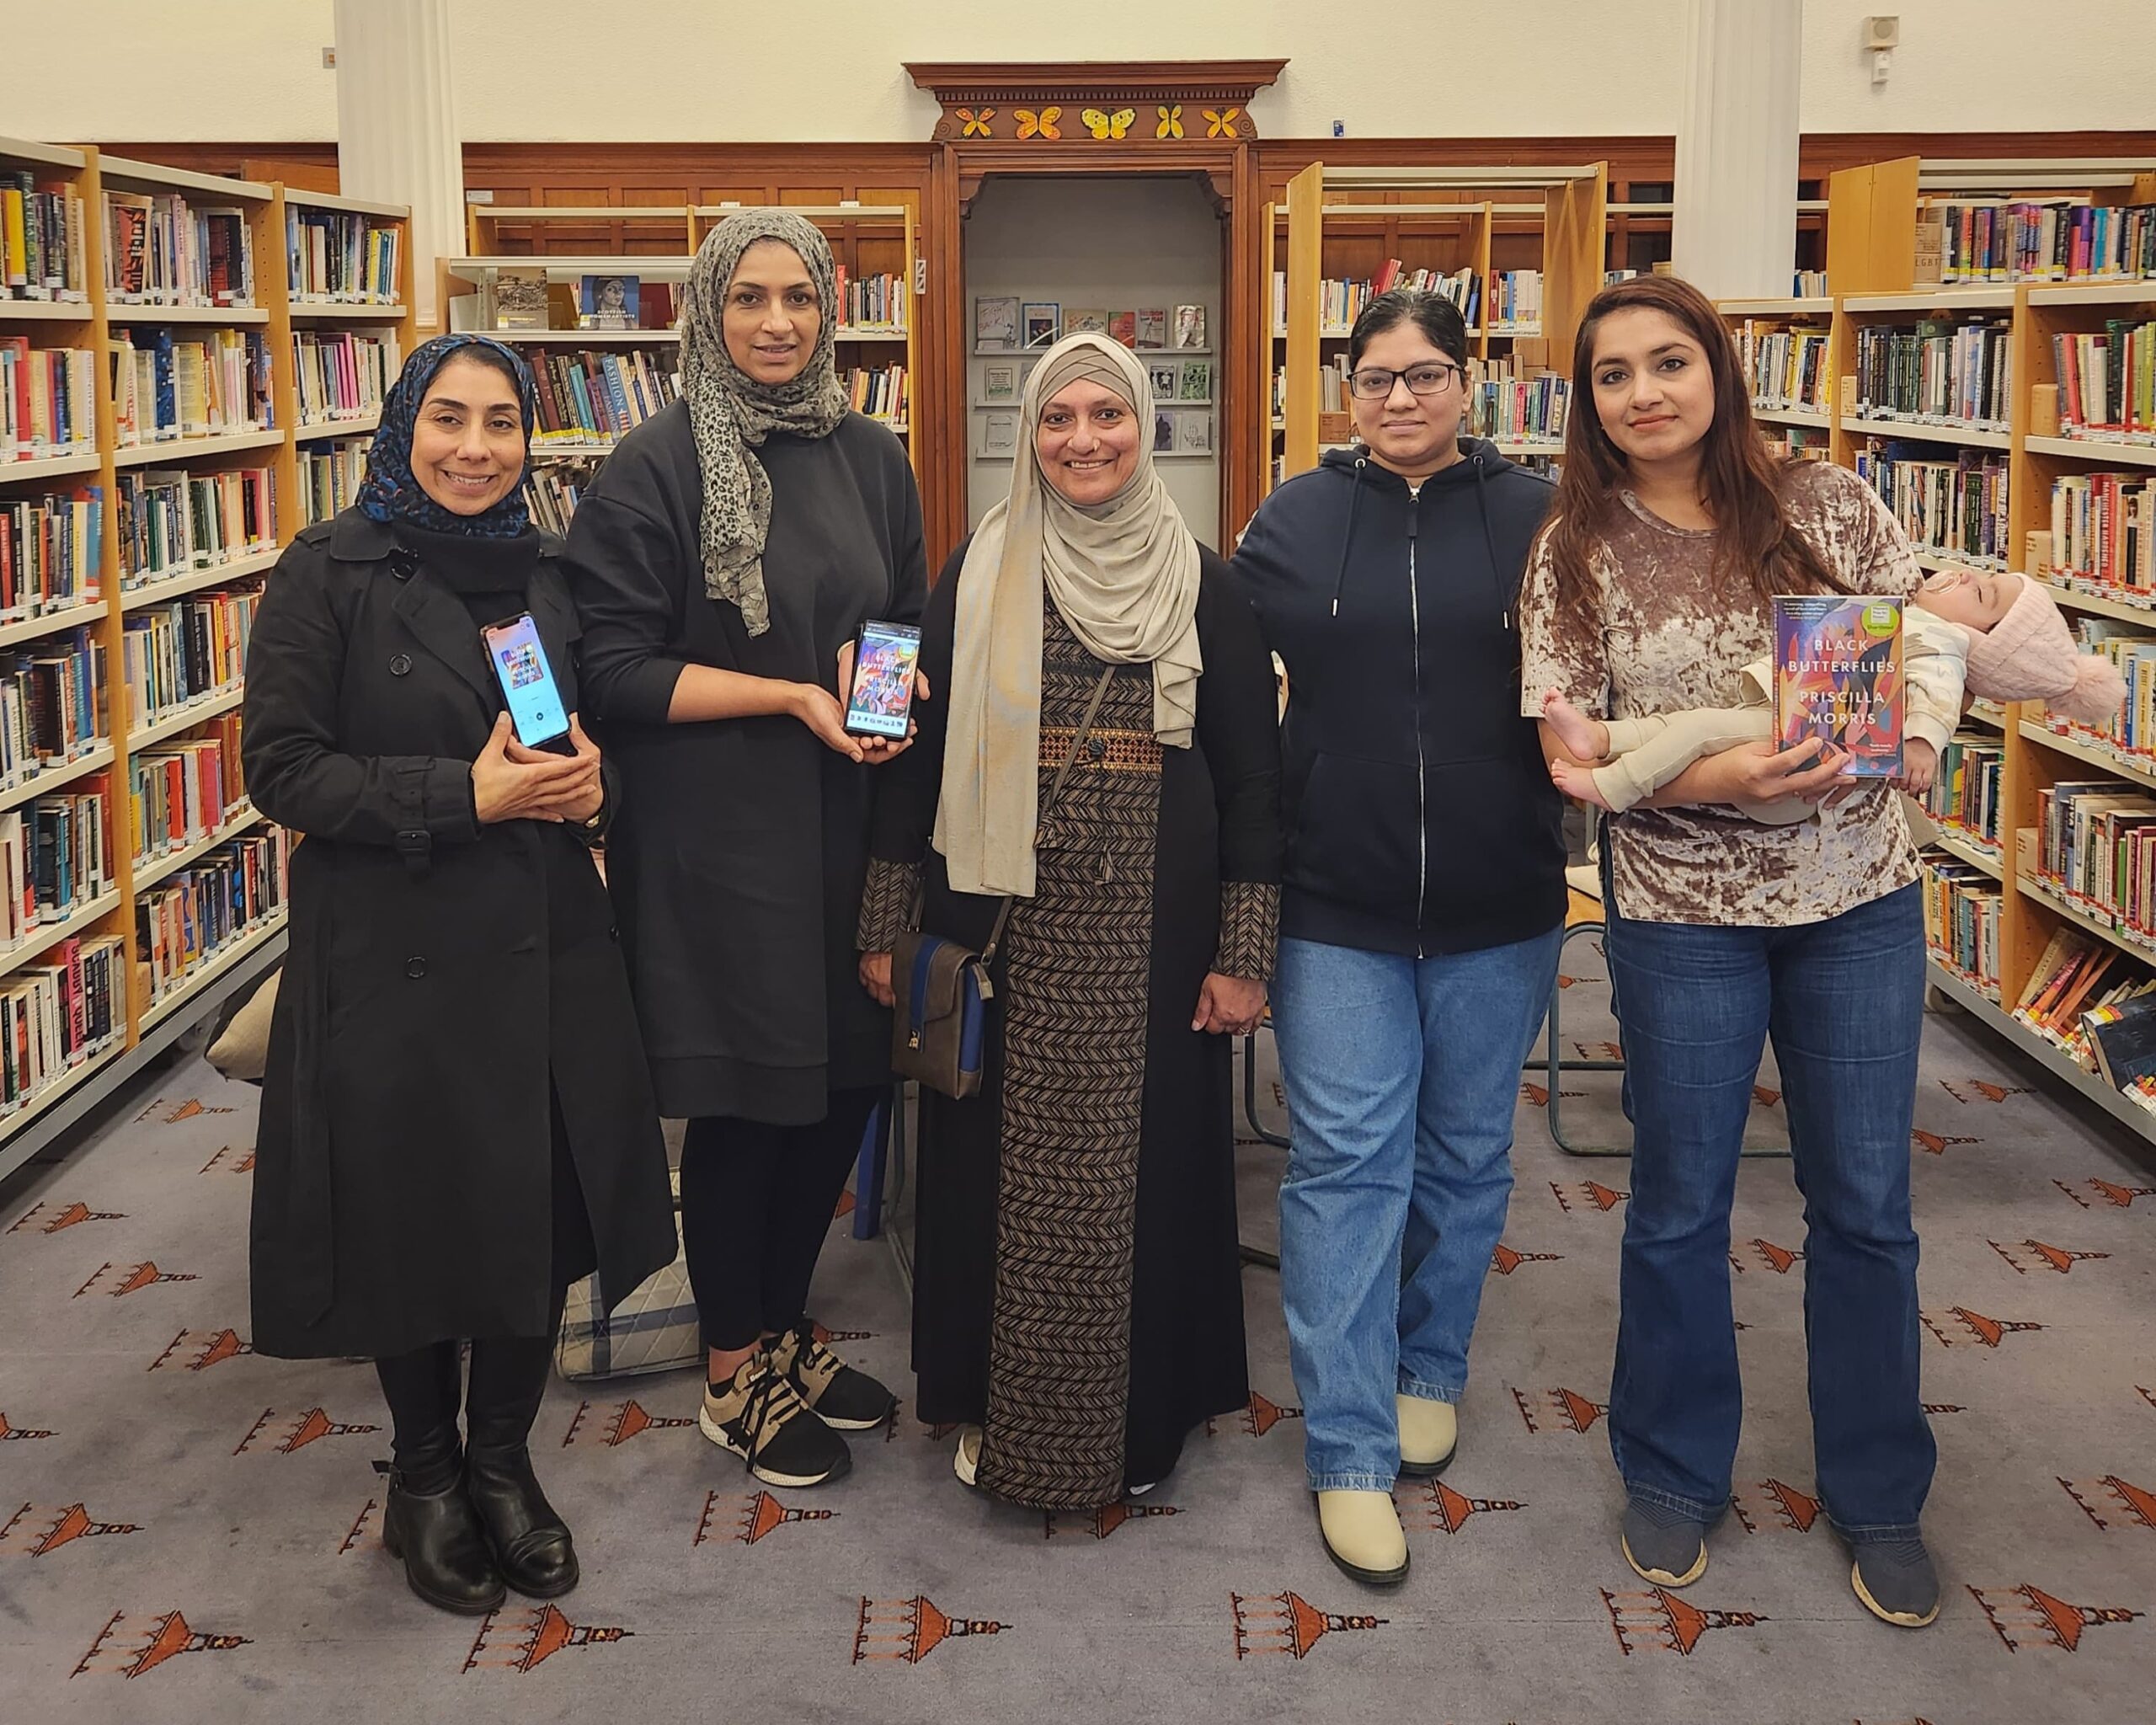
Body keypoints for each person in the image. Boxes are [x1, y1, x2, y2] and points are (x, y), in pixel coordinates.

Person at [1518, 274, 1952, 1628]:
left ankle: (1879, 1491)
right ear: (1586, 400)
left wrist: (1915, 744)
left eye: (1667, 362)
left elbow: (1922, 641)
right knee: (1681, 1200)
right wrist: (1730, 780)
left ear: (1717, 366)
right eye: (1611, 375)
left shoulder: (1826, 503)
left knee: (1867, 1206)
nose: (1643, 393)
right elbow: (1569, 753)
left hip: (1859, 897)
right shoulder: (1571, 546)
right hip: (1682, 917)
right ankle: (1671, 1464)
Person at [243, 334, 677, 1616]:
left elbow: (554, 736)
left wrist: (585, 788)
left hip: (541, 943)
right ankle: (425, 1478)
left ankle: (503, 1465)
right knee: (411, 1217)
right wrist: (465, 794)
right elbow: (282, 768)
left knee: (535, 1218)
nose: (476, 448)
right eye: (449, 418)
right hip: (392, 949)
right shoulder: (324, 571)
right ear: (403, 426)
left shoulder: (541, 573)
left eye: (500, 421)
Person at [857, 333, 1282, 1511]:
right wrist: (885, 923)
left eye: (1108, 415)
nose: (1083, 439)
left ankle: (1134, 1422)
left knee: (1148, 1182)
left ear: (1148, 429)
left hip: (1158, 931)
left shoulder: (1206, 580)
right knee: (996, 1179)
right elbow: (913, 761)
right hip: (1002, 929)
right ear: (1026, 435)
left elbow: (1254, 782)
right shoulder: (973, 571)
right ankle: (1005, 1406)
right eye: (1057, 417)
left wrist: (1245, 957)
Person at [564, 210, 923, 1490]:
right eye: (750, 297)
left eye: (801, 298)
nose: (778, 322)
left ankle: (781, 1332)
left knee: (842, 1086)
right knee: (747, 1104)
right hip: (716, 844)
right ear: (708, 309)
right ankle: (729, 1375)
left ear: (832, 311)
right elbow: (609, 674)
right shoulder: (650, 465)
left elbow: (903, 615)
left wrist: (879, 687)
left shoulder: (873, 454)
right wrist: (783, 693)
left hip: (846, 826)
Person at [1230, 288, 1566, 1586]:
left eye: (1427, 375)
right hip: (1339, 906)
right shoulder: (1299, 520)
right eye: (1376, 380)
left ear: (1470, 383)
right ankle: (1352, 1449)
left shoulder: (1543, 516)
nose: (1403, 399)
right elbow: (1192, 641)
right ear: (1344, 391)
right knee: (1348, 1167)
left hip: (1502, 903)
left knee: (1469, 1157)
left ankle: (1433, 1363)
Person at [1540, 566, 2125, 816]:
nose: (1969, 577)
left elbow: (1940, 698)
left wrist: (1920, 745)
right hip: (1789, 703)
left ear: (1982, 640)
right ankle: (1599, 736)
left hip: (1804, 729)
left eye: (1983, 597)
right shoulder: (1904, 614)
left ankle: (1611, 785)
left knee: (1695, 729)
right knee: (1688, 722)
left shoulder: (1943, 643)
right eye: (1989, 577)